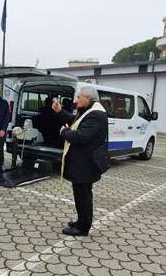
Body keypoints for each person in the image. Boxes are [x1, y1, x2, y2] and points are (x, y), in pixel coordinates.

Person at [52, 85, 108, 236]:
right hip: (82, 163)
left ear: (88, 98)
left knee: (83, 195)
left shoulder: (96, 115)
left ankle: (83, 228)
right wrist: (60, 111)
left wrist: (64, 132)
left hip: (87, 164)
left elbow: (81, 137)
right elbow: (73, 120)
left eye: (79, 97)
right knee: (80, 194)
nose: (77, 100)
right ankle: (81, 221)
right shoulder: (89, 111)